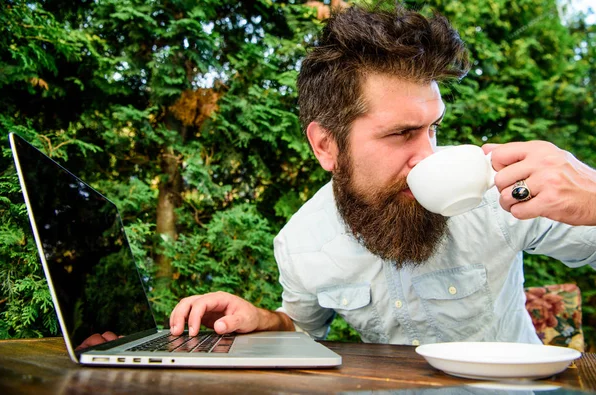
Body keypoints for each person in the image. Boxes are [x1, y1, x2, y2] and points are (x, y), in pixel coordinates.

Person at [170, 3, 596, 344]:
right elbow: (303, 328)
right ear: (326, 145)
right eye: (401, 134)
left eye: (433, 128)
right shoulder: (302, 242)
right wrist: (263, 320)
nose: (426, 156)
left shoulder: (497, 192)